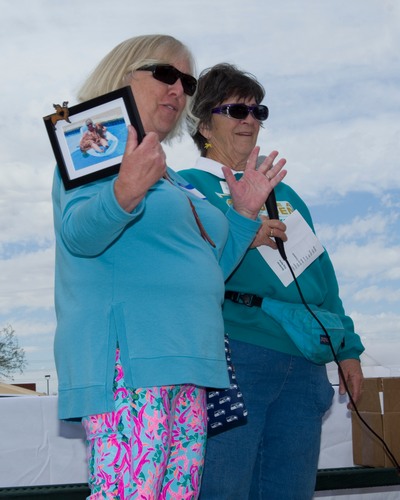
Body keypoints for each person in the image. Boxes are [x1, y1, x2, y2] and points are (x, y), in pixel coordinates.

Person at [51, 38, 286, 499]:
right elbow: (78, 236)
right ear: (122, 75)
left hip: (188, 361)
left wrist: (242, 215)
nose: (179, 89)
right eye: (165, 74)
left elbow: (210, 270)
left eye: (188, 83)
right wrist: (124, 192)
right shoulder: (94, 146)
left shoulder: (170, 177)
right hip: (133, 361)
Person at [179, 63, 365, 500]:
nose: (250, 119)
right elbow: (187, 272)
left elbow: (322, 278)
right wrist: (241, 227)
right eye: (235, 110)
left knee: (291, 491)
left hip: (304, 359)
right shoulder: (186, 188)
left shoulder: (287, 194)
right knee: (223, 489)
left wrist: (348, 349)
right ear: (203, 124)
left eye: (257, 111)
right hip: (235, 354)